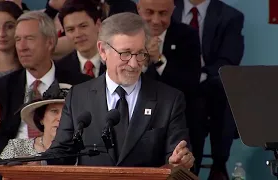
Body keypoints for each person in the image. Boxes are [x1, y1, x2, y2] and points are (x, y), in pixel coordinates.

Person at [45, 12, 194, 168]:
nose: (135, 64)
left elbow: (178, 159)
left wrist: (179, 162)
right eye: (126, 53)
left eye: (141, 53)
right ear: (102, 50)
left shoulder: (169, 100)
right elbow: (60, 157)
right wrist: (32, 153)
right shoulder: (78, 96)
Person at [0, 11, 91, 161]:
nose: (21, 47)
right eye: (18, 40)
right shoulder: (2, 86)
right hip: (14, 162)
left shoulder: (80, 84)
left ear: (50, 42)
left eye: (29, 39)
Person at [173, 0, 244, 178]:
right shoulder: (168, 8)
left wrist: (196, 78)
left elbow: (228, 61)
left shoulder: (230, 16)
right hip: (170, 80)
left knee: (221, 90)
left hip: (207, 83)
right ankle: (187, 165)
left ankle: (217, 165)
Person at [0, 83, 71, 159]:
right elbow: (0, 170)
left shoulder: (82, 152)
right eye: (54, 111)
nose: (60, 118)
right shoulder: (16, 148)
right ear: (41, 118)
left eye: (66, 112)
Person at [56, 0, 106, 78]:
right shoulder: (59, 70)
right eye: (70, 29)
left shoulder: (117, 61)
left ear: (98, 25)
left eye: (83, 26)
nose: (78, 34)